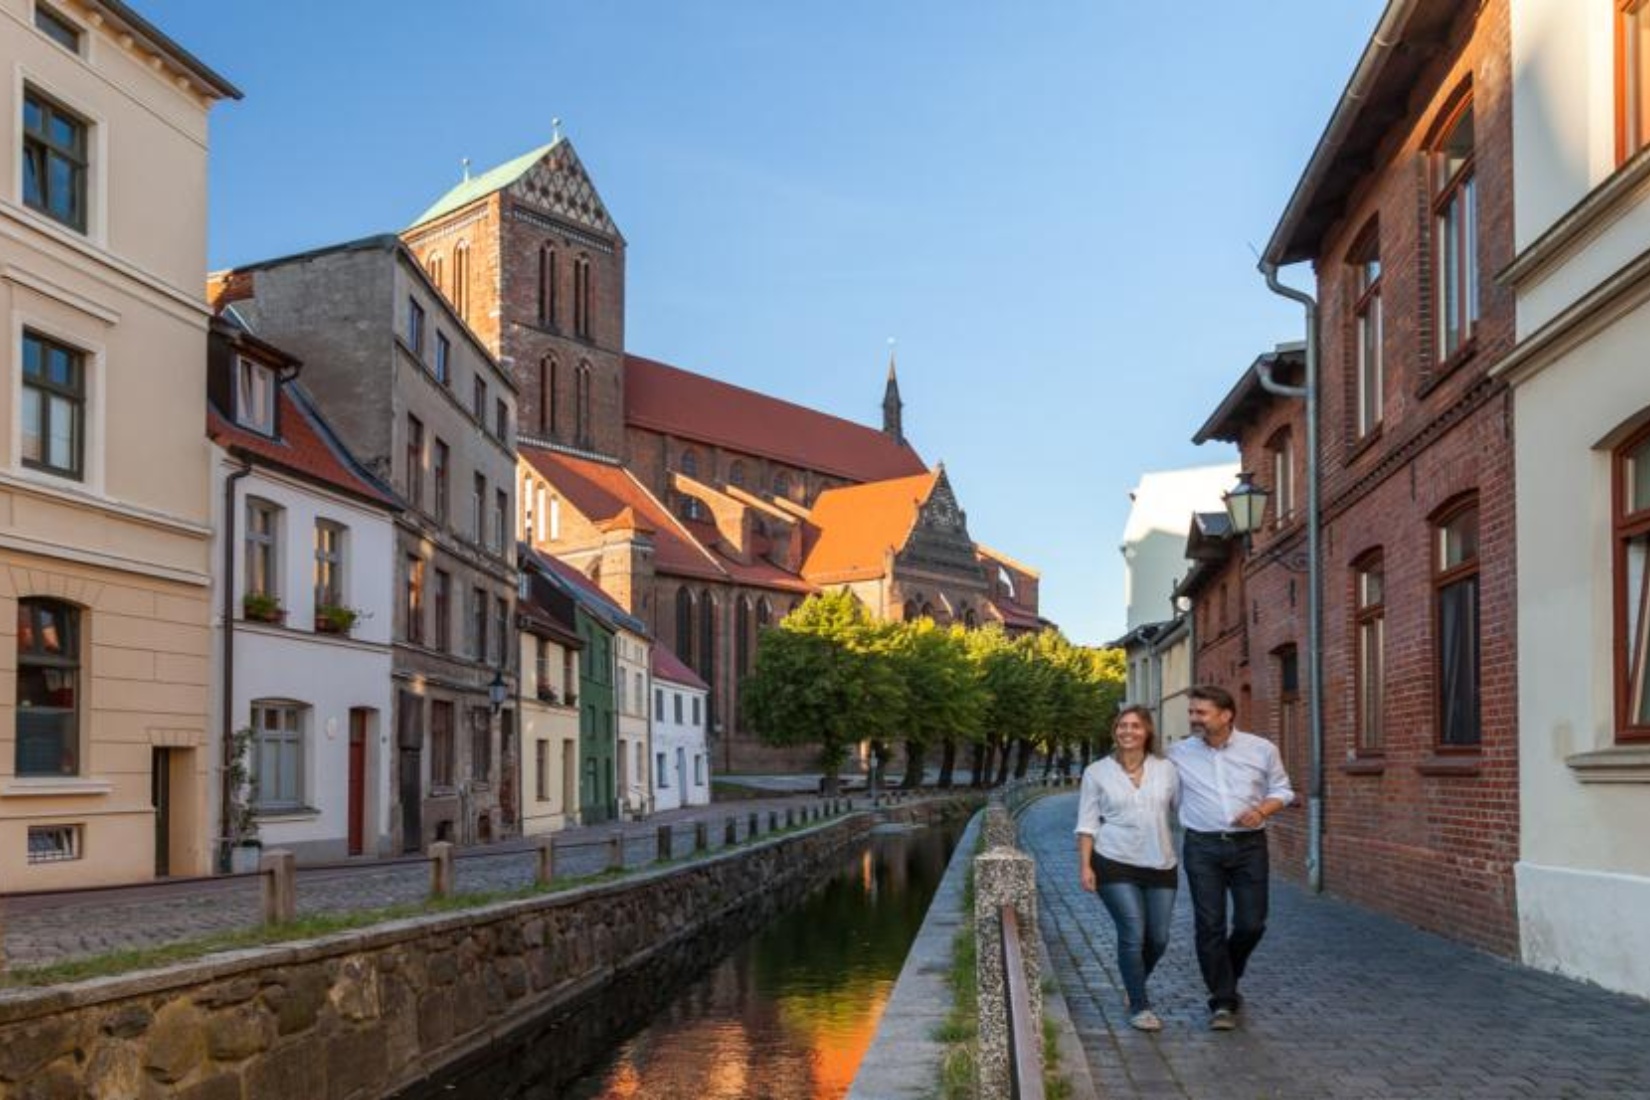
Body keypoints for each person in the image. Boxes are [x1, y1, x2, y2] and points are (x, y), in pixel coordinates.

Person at [1170, 684, 1294, 1031]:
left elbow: (1283, 789)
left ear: (1226, 715)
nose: (1194, 718)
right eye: (1192, 712)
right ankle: (1223, 1000)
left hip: (1249, 846)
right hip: (1202, 847)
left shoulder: (1261, 749)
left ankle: (1226, 972)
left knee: (1251, 923)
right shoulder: (1178, 753)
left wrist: (1262, 810)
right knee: (1209, 924)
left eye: (1201, 713)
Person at [1075, 705, 1180, 1032]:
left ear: (1147, 731)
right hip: (1113, 861)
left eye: (1135, 726)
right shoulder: (1096, 772)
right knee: (1133, 932)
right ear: (1114, 731)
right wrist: (1086, 866)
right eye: (1122, 726)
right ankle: (1139, 1005)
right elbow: (1087, 823)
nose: (1128, 731)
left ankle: (1134, 984)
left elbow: (1185, 810)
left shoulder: (1167, 770)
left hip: (1160, 862)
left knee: (1158, 938)